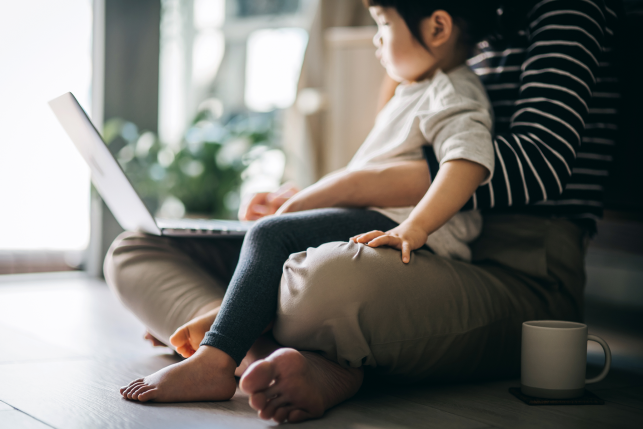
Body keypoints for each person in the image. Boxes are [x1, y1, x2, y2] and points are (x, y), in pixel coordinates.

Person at [108, 0, 620, 424]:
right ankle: (270, 354)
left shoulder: (522, 37)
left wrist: (350, 197)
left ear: (438, 27)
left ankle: (227, 341)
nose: (378, 37)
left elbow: (521, 163)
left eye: (382, 24)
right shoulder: (434, 61)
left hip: (506, 264)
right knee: (136, 248)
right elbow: (392, 166)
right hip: (399, 234)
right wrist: (308, 198)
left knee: (319, 278)